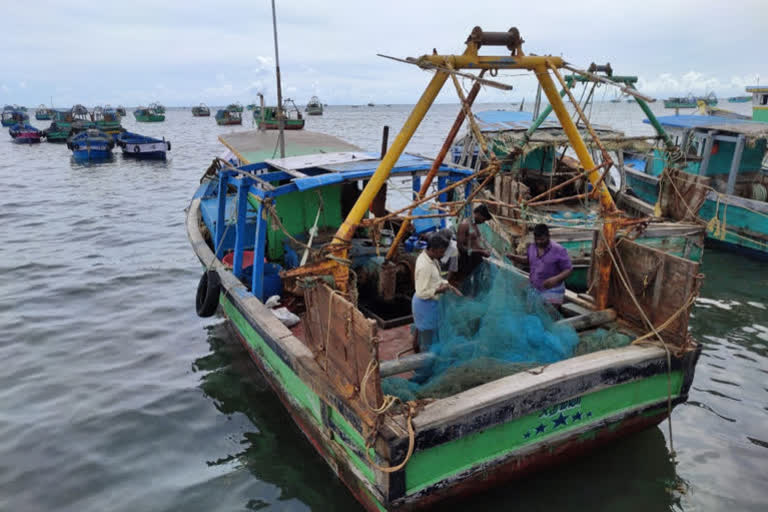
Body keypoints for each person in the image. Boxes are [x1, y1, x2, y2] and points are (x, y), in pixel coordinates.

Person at [411, 233, 451, 353]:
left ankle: (416, 350)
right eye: (441, 251)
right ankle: (424, 363)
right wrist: (440, 289)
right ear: (432, 249)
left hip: (429, 302)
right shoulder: (425, 266)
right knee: (428, 337)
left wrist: (445, 283)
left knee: (421, 330)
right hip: (425, 304)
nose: (443, 254)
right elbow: (422, 292)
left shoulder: (430, 258)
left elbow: (436, 278)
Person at [526, 224, 573, 308]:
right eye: (537, 240)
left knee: (549, 315)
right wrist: (513, 257)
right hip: (535, 289)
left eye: (542, 239)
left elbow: (568, 269)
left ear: (548, 236)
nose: (539, 242)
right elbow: (528, 261)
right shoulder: (532, 247)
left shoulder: (559, 250)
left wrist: (555, 279)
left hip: (553, 290)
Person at [456, 204, 492, 288]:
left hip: (475, 259)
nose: (483, 222)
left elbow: (475, 241)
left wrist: (483, 249)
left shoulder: (474, 225)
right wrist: (480, 251)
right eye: (483, 219)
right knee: (466, 282)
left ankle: (474, 296)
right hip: (467, 260)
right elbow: (460, 247)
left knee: (477, 281)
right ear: (478, 214)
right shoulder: (464, 225)